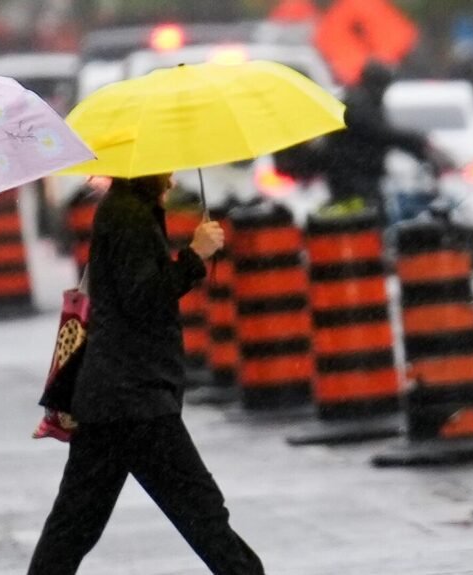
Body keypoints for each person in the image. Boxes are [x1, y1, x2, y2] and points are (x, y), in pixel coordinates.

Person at [28, 174, 265, 575]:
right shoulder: (129, 214)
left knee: (74, 525)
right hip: (134, 399)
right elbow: (143, 298)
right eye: (166, 165)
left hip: (113, 397)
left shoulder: (126, 208)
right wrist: (195, 255)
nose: (173, 173)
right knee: (202, 512)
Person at [321, 60, 451, 214]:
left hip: (360, 175)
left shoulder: (366, 102)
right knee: (369, 218)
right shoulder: (358, 104)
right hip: (353, 178)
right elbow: (381, 133)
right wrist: (420, 143)